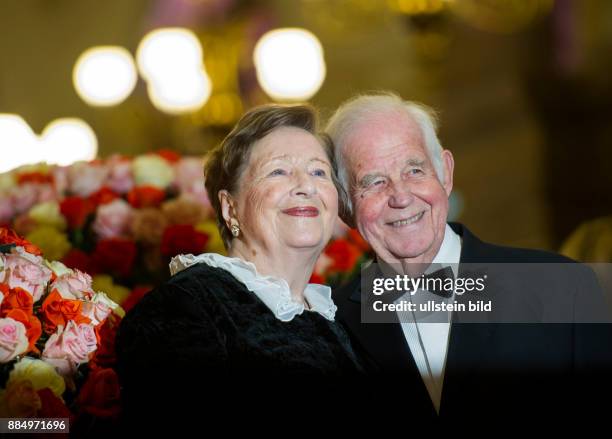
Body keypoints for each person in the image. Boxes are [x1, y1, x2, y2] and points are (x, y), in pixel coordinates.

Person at [325, 91, 612, 422]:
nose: (401, 196)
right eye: (373, 183)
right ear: (344, 206)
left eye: (414, 170)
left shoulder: (564, 289)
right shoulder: (331, 324)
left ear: (445, 172)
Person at [115, 104, 363, 429]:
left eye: (319, 172)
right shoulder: (183, 308)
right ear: (230, 208)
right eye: (278, 171)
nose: (307, 185)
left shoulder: (337, 318)